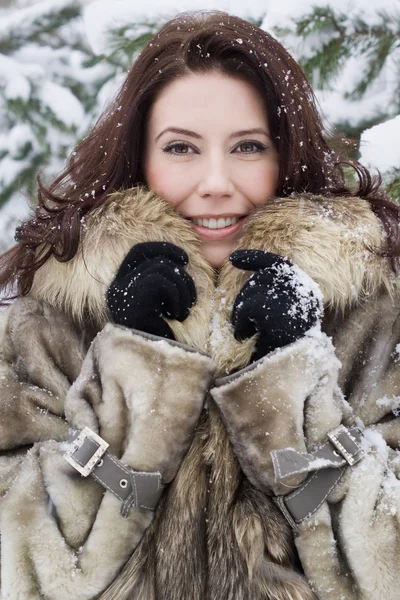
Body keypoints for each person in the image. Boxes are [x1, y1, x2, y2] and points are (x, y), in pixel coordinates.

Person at [0, 9, 399, 600]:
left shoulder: (373, 313)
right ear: (138, 157)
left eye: (248, 146)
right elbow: (22, 572)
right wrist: (134, 374)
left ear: (287, 156)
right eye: (182, 148)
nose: (216, 181)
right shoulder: (48, 320)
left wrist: (294, 385)